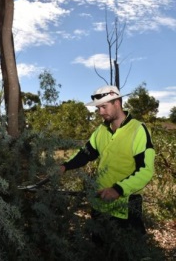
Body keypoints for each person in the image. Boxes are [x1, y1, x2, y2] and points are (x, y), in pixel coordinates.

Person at [60, 85, 155, 244]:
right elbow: (86, 153)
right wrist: (65, 166)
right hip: (100, 204)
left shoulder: (138, 130)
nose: (100, 112)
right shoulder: (101, 130)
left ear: (117, 102)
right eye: (98, 108)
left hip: (127, 207)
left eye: (104, 107)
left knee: (129, 251)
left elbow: (145, 170)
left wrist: (118, 189)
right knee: (99, 249)